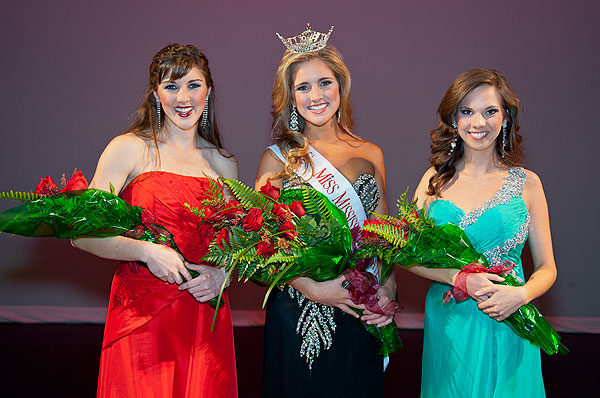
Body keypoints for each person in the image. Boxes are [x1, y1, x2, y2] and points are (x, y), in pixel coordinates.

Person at [72, 44, 238, 398]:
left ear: (208, 90)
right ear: (155, 94)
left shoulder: (224, 164)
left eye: (193, 85)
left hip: (203, 317)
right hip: (142, 318)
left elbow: (233, 250)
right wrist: (147, 251)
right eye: (171, 86)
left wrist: (222, 276)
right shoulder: (129, 148)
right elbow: (81, 234)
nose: (184, 97)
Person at [255, 24, 396, 398]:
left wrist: (387, 289)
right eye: (303, 87)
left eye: (324, 83)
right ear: (290, 98)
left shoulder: (371, 153)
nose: (315, 95)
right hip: (297, 307)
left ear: (341, 87)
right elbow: (261, 243)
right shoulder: (276, 159)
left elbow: (381, 236)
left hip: (357, 304)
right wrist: (313, 288)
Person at [411, 68, 557, 397]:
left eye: (490, 111)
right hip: (449, 323)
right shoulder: (433, 181)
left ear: (505, 118)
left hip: (508, 315)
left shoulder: (528, 184)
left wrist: (520, 296)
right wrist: (458, 278)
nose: (479, 123)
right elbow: (406, 255)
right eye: (467, 111)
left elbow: (547, 267)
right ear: (454, 118)